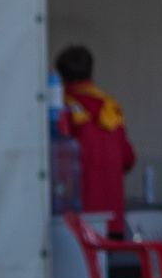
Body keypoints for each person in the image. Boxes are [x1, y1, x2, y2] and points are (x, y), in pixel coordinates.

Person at [55, 46, 136, 219]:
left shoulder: (61, 108)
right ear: (91, 72)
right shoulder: (111, 107)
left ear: (61, 76)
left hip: (75, 217)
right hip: (113, 214)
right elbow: (128, 158)